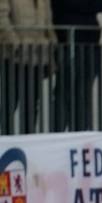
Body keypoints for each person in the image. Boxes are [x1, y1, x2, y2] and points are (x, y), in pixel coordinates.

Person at [50, 0, 102, 132]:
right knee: (64, 94)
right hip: (67, 42)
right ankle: (57, 136)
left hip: (91, 44)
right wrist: (89, 6)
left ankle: (80, 135)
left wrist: (81, 6)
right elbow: (62, 4)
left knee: (84, 95)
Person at [2, 0, 55, 134]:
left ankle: (28, 138)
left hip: (38, 56)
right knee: (10, 101)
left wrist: (52, 45)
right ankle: (6, 139)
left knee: (31, 104)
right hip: (14, 57)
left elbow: (48, 22)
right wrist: (15, 43)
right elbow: (2, 18)